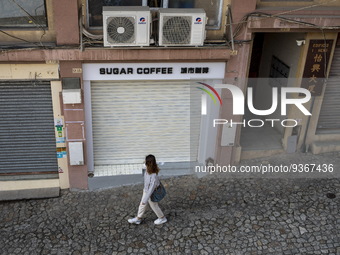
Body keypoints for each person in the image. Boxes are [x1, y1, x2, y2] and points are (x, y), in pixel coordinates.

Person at [128, 154, 167, 225]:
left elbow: (151, 189)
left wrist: (145, 200)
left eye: (146, 161)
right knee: (142, 205)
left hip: (152, 192)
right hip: (146, 190)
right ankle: (138, 219)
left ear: (149, 164)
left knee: (154, 206)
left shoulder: (154, 176)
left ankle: (162, 218)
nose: (144, 162)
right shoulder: (148, 168)